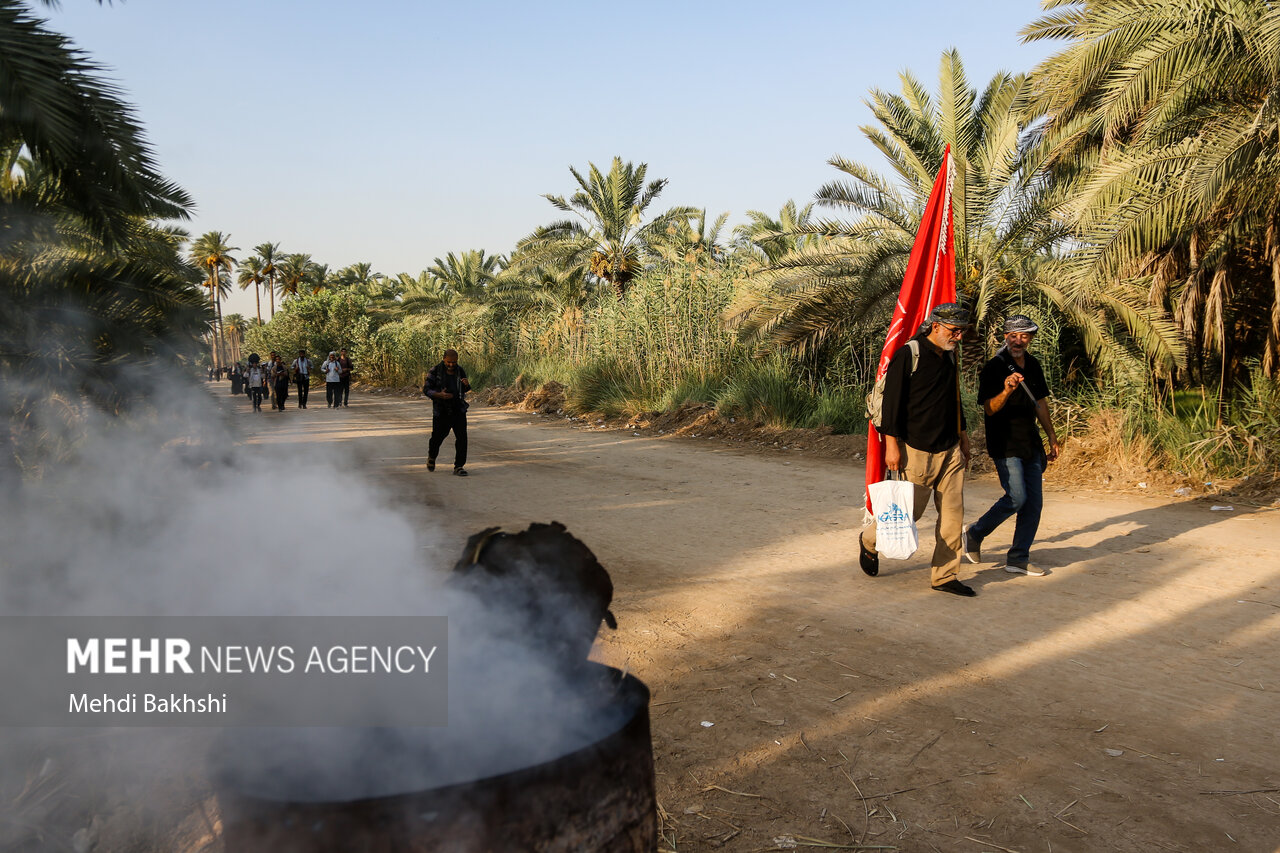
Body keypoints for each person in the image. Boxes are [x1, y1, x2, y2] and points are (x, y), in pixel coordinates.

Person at [860, 303, 975, 596]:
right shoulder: (909, 354)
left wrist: (963, 436)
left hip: (949, 449)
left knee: (953, 516)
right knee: (909, 514)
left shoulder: (949, 356)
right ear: (935, 326)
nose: (958, 337)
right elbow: (891, 405)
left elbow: (954, 399)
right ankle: (869, 541)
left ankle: (945, 576)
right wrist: (891, 447)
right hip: (917, 450)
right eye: (954, 331)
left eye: (961, 332)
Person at [963, 315, 1061, 576]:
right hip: (1005, 443)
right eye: (1013, 335)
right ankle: (975, 532)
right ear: (1005, 336)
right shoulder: (994, 368)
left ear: (1030, 339)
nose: (1018, 341)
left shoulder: (1033, 365)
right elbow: (990, 409)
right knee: (1017, 497)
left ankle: (1018, 558)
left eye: (1024, 336)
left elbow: (1040, 403)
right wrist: (1006, 391)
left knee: (1034, 503)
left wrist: (1051, 436)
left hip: (1030, 442)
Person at [423, 348, 471, 476]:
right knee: (437, 437)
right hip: (441, 410)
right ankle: (432, 457)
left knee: (462, 438)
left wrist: (466, 384)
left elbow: (464, 389)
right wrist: (439, 395)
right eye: (449, 362)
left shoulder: (460, 370)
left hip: (458, 409)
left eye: (454, 362)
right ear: (444, 359)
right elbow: (426, 389)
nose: (451, 365)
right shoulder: (435, 371)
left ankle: (459, 466)